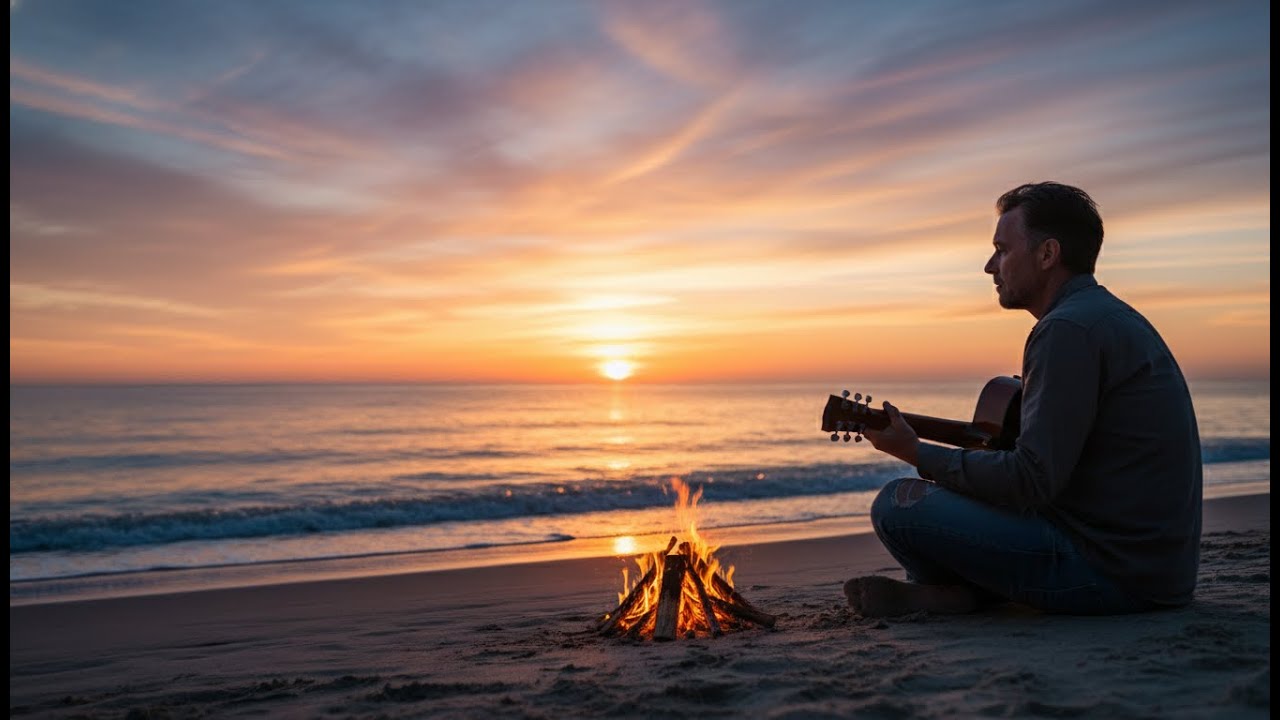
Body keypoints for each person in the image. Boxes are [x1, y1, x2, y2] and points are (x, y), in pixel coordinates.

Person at [846, 181, 1202, 617]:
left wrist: (915, 452)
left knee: (898, 504)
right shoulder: (1108, 317)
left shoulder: (1067, 330)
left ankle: (959, 595)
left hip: (1113, 576)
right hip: (1155, 570)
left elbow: (1031, 481)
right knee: (956, 494)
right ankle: (962, 595)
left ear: (1048, 254)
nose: (989, 266)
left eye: (1002, 249)